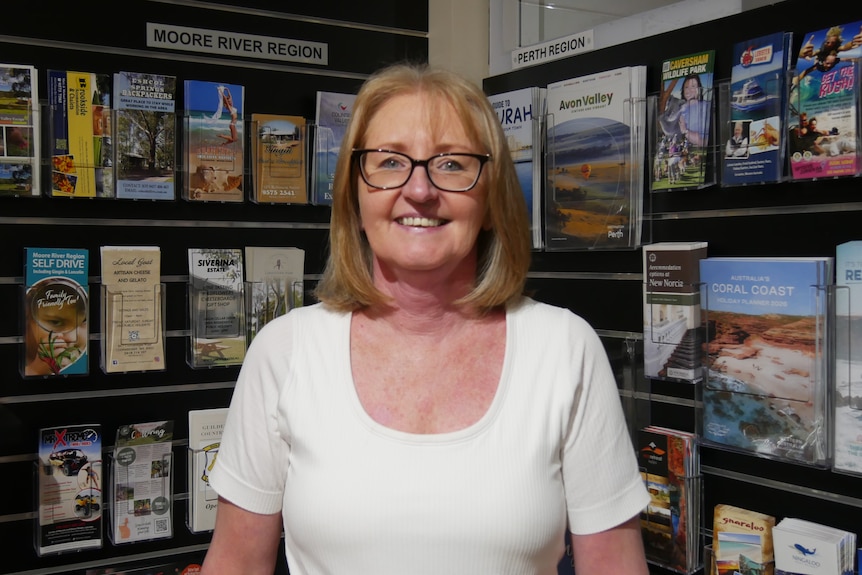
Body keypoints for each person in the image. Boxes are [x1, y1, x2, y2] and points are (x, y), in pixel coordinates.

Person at [201, 63, 650, 575]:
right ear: (354, 194)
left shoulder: (564, 349)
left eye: (452, 164)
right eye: (390, 161)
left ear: (491, 197)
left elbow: (615, 567)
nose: (419, 190)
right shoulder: (284, 352)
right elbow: (235, 563)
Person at [677, 73, 711, 147]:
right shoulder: (679, 109)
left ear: (699, 89)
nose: (688, 90)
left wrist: (685, 131)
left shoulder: (706, 107)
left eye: (693, 86)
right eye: (686, 87)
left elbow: (704, 141)